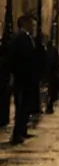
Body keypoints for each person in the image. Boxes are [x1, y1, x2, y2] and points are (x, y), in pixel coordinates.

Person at [9, 15, 38, 144]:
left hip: (26, 78)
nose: (33, 26)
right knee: (21, 106)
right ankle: (17, 133)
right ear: (25, 24)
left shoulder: (26, 38)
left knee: (25, 106)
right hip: (23, 78)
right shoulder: (21, 38)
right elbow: (21, 58)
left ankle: (22, 130)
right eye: (32, 24)